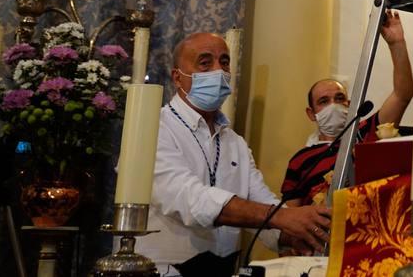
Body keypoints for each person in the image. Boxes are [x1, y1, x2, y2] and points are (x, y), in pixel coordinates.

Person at [135, 32, 329, 276]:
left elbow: (262, 203)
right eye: (205, 63)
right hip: (163, 271)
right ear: (177, 77)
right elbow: (189, 198)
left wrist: (296, 234)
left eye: (224, 62)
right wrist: (281, 218)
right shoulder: (153, 128)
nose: (219, 71)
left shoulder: (234, 142)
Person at [280, 11, 413, 205]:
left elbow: (403, 94)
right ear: (311, 113)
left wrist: (397, 43)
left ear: (350, 105)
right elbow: (292, 220)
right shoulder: (300, 161)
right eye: (323, 101)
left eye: (339, 98)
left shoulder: (366, 132)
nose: (333, 106)